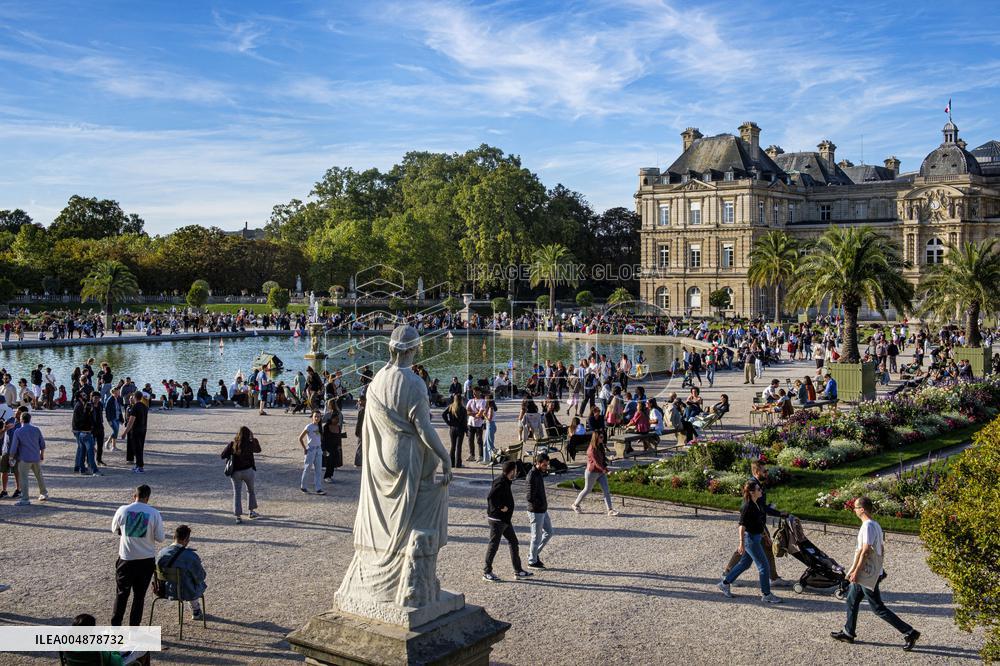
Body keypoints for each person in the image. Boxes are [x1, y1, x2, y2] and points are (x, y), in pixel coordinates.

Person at [831, 496, 920, 650]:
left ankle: (909, 632)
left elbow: (865, 551)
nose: (854, 510)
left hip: (866, 574)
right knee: (851, 600)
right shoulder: (875, 525)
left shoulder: (868, 526)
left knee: (878, 608)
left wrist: (856, 572)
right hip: (869, 572)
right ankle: (848, 632)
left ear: (862, 509)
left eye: (856, 507)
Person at [717, 480, 782, 604]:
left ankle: (724, 583)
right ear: (752, 492)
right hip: (750, 540)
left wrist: (766, 537)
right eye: (758, 489)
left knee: (744, 564)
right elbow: (741, 525)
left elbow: (759, 523)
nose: (760, 491)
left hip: (756, 537)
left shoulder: (756, 503)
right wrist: (741, 543)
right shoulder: (747, 506)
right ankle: (766, 594)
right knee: (764, 567)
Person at [111, 484, 165, 626]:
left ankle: (115, 626)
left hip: (126, 559)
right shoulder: (154, 513)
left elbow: (113, 529)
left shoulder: (123, 510)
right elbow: (160, 537)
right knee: (139, 597)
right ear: (147, 498)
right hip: (145, 560)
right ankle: (134, 629)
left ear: (134, 496)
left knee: (121, 595)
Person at [483, 461, 533, 582]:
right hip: (497, 520)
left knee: (513, 542)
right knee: (494, 545)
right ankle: (486, 572)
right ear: (511, 471)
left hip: (505, 520)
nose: (516, 472)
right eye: (515, 470)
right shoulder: (500, 482)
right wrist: (500, 506)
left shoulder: (506, 481)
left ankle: (518, 570)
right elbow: (491, 497)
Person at [156, 524, 207, 620]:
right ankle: (195, 610)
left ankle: (195, 608)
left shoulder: (161, 553)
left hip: (166, 590)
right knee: (193, 581)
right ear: (186, 540)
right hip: (186, 592)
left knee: (185, 579)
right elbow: (201, 576)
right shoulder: (191, 556)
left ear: (174, 537)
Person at [570, 432, 618, 516]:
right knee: (587, 490)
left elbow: (602, 458)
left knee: (606, 490)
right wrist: (605, 470)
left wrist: (608, 460)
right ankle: (575, 505)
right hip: (592, 472)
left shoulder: (600, 446)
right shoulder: (591, 449)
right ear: (596, 438)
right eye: (601, 437)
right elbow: (596, 463)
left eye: (603, 437)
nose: (603, 439)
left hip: (600, 472)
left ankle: (610, 510)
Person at [221, 426, 261, 523]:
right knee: (251, 491)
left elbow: (222, 455)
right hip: (248, 471)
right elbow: (259, 450)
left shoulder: (232, 444)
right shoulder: (250, 444)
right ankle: (251, 512)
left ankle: (238, 517)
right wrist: (254, 439)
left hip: (235, 473)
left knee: (237, 494)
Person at [9, 411, 48, 505]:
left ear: (21, 420)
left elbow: (14, 447)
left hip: (24, 458)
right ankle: (44, 493)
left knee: (24, 478)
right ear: (30, 419)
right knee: (39, 476)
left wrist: (11, 458)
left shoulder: (18, 431)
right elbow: (42, 444)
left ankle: (25, 498)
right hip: (35, 457)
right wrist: (41, 454)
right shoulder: (36, 429)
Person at [525, 453, 552, 569]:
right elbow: (529, 497)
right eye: (544, 465)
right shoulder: (532, 476)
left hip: (542, 509)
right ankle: (532, 560)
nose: (546, 467)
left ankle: (533, 554)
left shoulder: (539, 473)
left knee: (549, 532)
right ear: (538, 463)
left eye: (547, 465)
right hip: (536, 511)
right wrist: (540, 504)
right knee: (536, 537)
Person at [298, 411, 327, 495]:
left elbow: (320, 439)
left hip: (318, 450)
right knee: (307, 468)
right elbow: (300, 438)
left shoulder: (320, 427)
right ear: (312, 417)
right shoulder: (309, 427)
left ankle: (318, 488)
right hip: (311, 450)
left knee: (318, 470)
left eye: (318, 416)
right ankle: (303, 486)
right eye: (315, 416)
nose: (317, 418)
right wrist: (305, 448)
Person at [121, 391, 149, 474]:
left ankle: (140, 467)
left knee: (137, 449)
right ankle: (138, 465)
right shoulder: (144, 406)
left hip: (136, 430)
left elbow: (131, 421)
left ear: (135, 397)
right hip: (143, 429)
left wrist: (125, 432)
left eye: (133, 397)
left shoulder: (135, 407)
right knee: (140, 447)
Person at [321, 400, 344, 483]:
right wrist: (324, 448)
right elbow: (324, 439)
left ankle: (330, 475)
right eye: (336, 419)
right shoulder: (327, 426)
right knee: (330, 460)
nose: (337, 420)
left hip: (335, 444)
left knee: (333, 459)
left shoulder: (333, 417)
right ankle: (327, 476)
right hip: (328, 446)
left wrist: (338, 445)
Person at [441, 394, 467, 468]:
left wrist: (449, 423)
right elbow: (464, 422)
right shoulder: (463, 409)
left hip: (452, 428)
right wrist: (466, 430)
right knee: (459, 447)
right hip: (460, 429)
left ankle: (451, 463)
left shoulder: (451, 407)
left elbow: (443, 414)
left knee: (453, 446)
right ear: (461, 400)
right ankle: (458, 464)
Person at [104, 386, 124, 452]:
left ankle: (113, 446)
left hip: (117, 418)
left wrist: (121, 419)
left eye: (118, 392)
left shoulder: (118, 399)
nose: (118, 393)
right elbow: (107, 411)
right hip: (112, 418)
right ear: (113, 393)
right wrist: (109, 420)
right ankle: (109, 444)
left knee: (116, 432)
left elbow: (119, 410)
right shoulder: (110, 400)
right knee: (115, 431)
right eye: (116, 392)